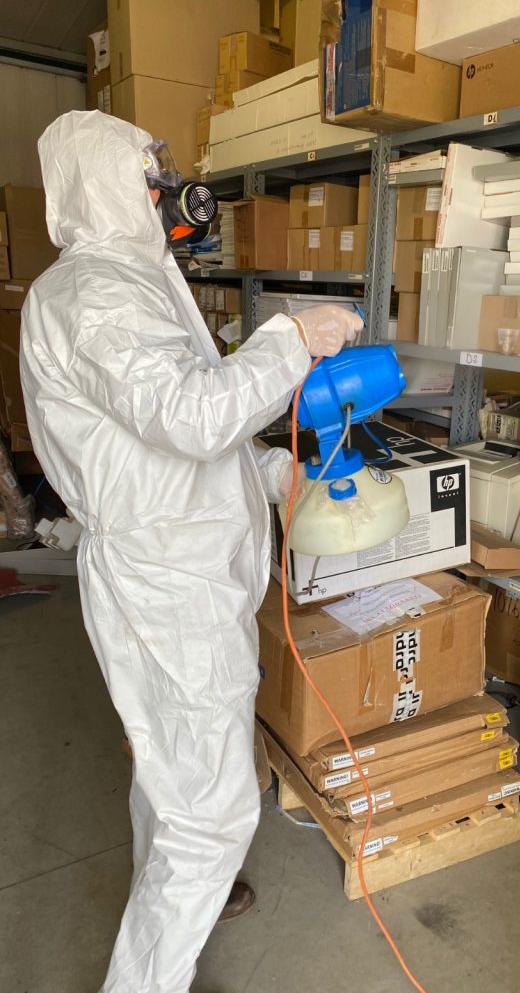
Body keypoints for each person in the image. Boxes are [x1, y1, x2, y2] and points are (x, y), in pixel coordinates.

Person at [19, 110, 363, 993]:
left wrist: (276, 472)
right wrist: (292, 339)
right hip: (167, 579)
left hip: (183, 562)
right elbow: (192, 417)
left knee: (172, 762)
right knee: (213, 814)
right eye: (149, 177)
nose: (167, 193)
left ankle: (179, 888)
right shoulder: (94, 296)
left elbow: (179, 436)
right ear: (103, 185)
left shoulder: (135, 278)